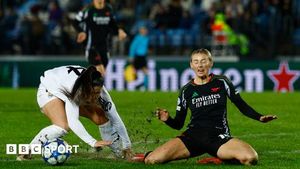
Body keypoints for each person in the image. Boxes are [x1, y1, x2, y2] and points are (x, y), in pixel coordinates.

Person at [144, 48, 277, 165]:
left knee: (250, 158)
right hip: (193, 136)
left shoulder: (222, 82)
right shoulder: (186, 90)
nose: (200, 65)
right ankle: (143, 156)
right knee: (152, 160)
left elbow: (241, 105)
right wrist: (167, 120)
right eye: (196, 61)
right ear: (191, 65)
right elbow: (179, 124)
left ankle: (221, 157)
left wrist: (259, 117)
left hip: (218, 136)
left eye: (203, 61)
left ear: (211, 63)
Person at [17, 65, 132, 161]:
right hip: (49, 90)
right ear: (86, 88)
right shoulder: (74, 90)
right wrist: (93, 142)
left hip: (64, 85)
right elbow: (73, 121)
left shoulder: (101, 93)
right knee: (62, 126)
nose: (96, 96)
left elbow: (116, 119)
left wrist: (127, 145)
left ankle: (120, 155)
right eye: (94, 93)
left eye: (98, 92)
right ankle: (27, 151)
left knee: (100, 117)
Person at [73, 0, 127, 75]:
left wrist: (119, 31)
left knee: (101, 73)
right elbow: (75, 22)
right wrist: (81, 31)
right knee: (100, 69)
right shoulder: (87, 10)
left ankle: (86, 83)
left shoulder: (108, 9)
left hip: (104, 46)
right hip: (91, 45)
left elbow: (112, 24)